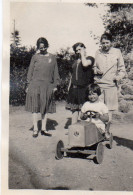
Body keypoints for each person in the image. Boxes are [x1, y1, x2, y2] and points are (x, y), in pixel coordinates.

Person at [25, 37, 59, 137]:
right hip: (34, 85)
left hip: (47, 86)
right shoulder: (35, 57)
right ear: (38, 48)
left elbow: (55, 72)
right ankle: (35, 129)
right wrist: (28, 85)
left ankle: (44, 129)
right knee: (35, 107)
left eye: (44, 47)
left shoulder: (52, 57)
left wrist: (55, 85)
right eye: (40, 48)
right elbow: (30, 72)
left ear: (47, 46)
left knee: (45, 107)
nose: (42, 49)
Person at [94, 33, 126, 121]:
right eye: (103, 43)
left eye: (107, 42)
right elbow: (94, 67)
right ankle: (99, 132)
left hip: (111, 86)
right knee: (98, 109)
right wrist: (96, 70)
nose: (105, 45)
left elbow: (122, 69)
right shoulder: (98, 52)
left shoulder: (117, 52)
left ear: (111, 42)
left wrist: (117, 77)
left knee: (109, 111)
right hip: (99, 85)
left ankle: (107, 132)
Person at [66, 42, 94, 124]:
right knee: (74, 110)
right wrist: (69, 86)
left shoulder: (90, 58)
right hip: (74, 88)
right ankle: (73, 128)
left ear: (84, 48)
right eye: (76, 50)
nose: (78, 51)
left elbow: (85, 64)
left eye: (80, 49)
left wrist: (82, 54)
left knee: (84, 110)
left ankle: (84, 130)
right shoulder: (75, 61)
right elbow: (72, 75)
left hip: (84, 88)